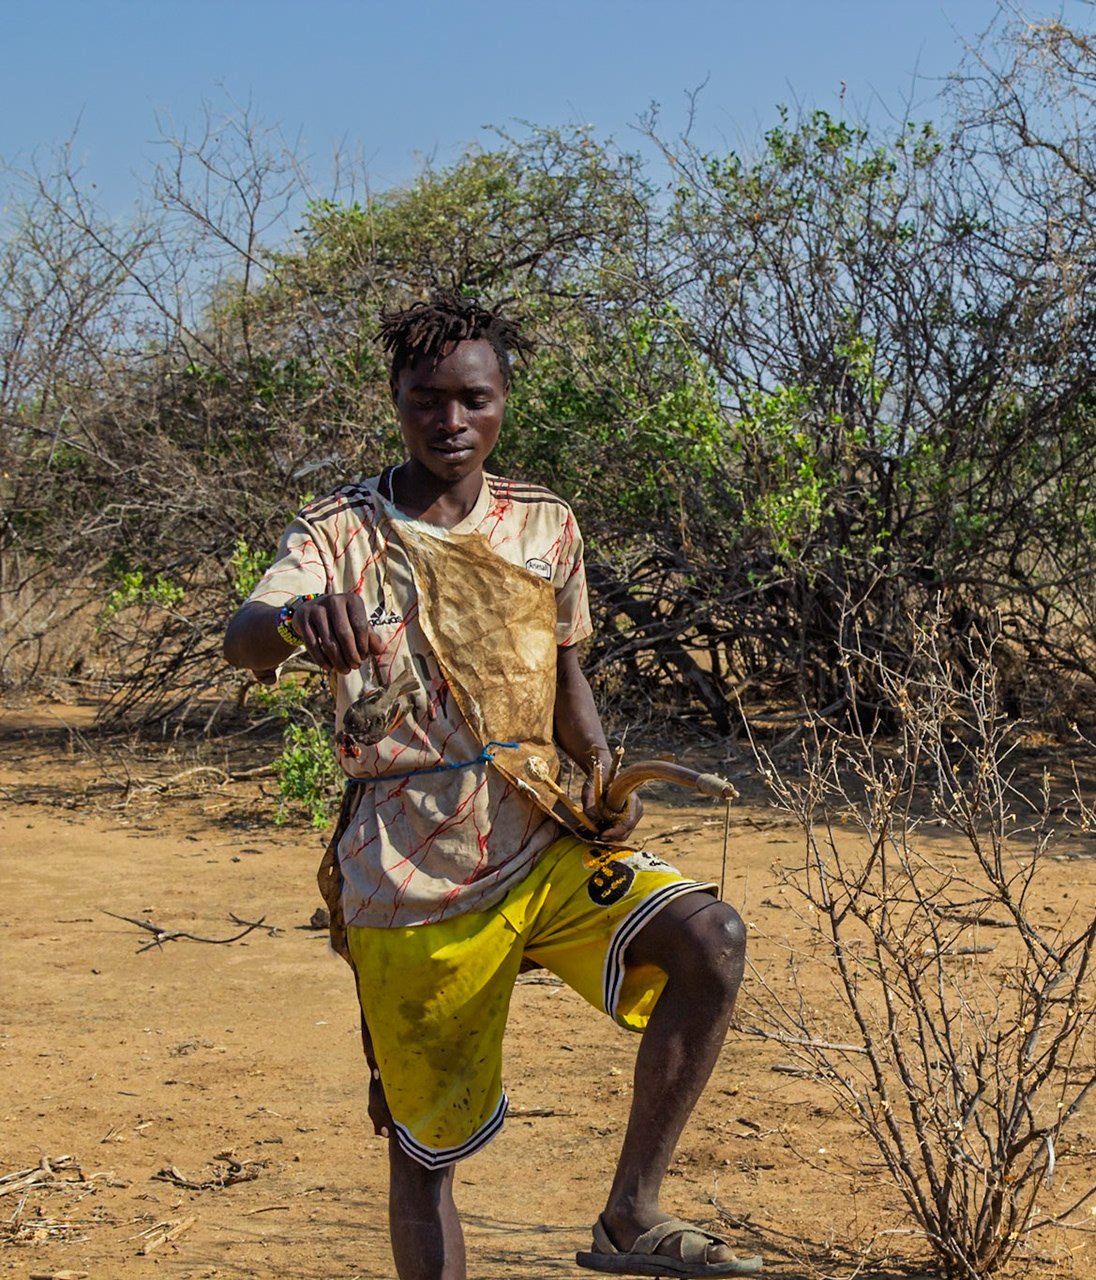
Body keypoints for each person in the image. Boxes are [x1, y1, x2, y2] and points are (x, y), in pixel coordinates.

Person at [223, 292, 760, 1279]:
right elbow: (243, 634)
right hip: (408, 856)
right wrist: (302, 618)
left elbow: (563, 669)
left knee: (708, 939)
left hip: (540, 828)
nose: (450, 422)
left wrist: (600, 767)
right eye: (427, 399)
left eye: (473, 399)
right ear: (395, 397)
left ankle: (631, 1216)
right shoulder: (343, 532)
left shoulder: (544, 525)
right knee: (428, 1151)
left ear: (506, 399)